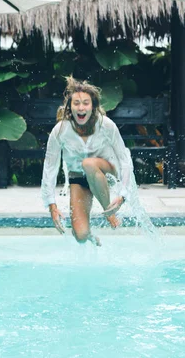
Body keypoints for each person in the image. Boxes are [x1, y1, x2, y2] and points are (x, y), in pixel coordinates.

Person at [40, 77, 134, 246]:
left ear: (93, 106)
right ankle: (91, 235)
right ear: (70, 107)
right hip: (79, 178)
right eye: (76, 103)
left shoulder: (106, 125)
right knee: (80, 236)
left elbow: (124, 159)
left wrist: (122, 195)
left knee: (89, 164)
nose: (81, 107)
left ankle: (108, 212)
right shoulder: (60, 131)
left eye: (85, 103)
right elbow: (50, 166)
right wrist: (51, 205)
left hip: (106, 170)